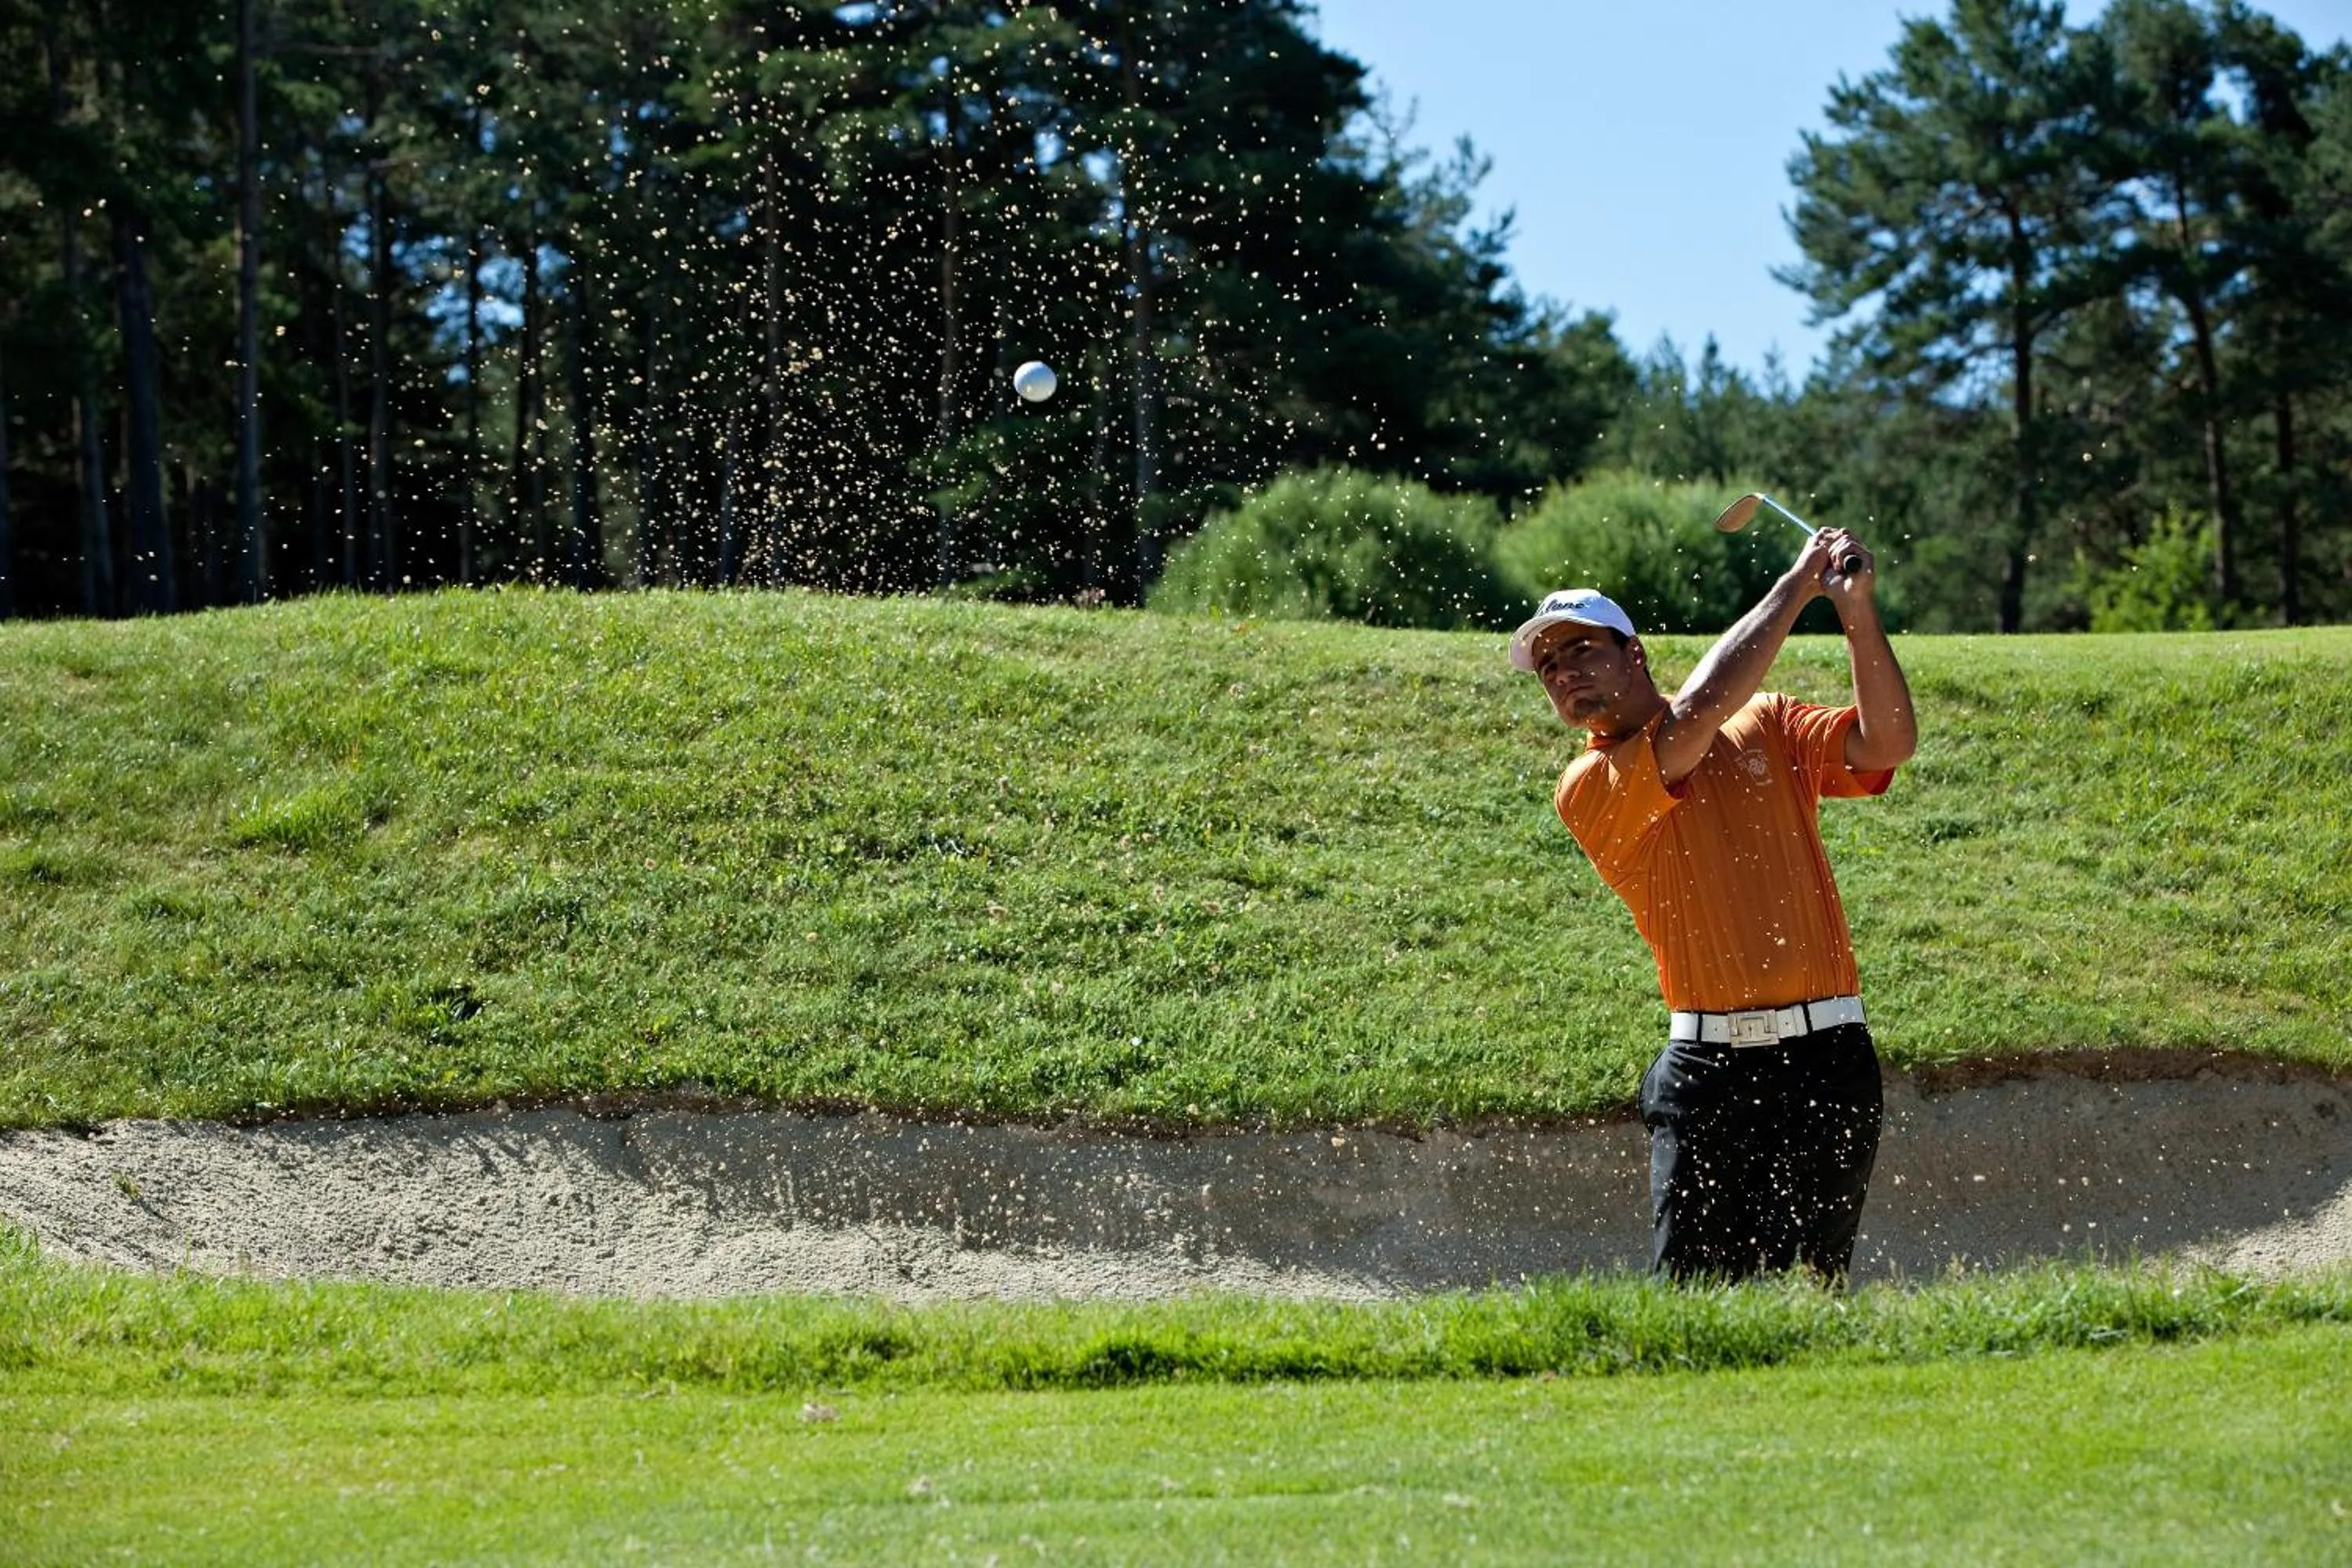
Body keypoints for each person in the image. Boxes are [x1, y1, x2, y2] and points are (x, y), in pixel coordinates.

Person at [1510, 526, 1916, 1284]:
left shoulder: (1766, 722)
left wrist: (1855, 607)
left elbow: (1887, 743)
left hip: (1828, 1062)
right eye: (1549, 666)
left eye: (1582, 651)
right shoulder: (1588, 786)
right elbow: (1693, 715)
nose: (1564, 674)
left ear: (1633, 654)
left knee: (1807, 1293)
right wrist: (1798, 587)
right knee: (1694, 1306)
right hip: (1710, 1073)